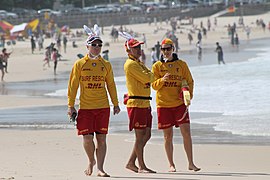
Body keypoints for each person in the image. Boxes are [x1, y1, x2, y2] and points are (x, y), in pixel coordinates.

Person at [67, 25, 120, 177]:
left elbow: (111, 84)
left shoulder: (106, 64)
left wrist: (115, 104)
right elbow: (73, 86)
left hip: (103, 107)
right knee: (87, 138)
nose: (97, 47)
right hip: (85, 108)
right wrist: (70, 106)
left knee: (101, 139)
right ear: (87, 46)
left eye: (99, 45)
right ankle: (91, 160)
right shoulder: (80, 64)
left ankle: (101, 168)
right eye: (94, 45)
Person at [151, 38, 200, 172]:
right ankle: (171, 164)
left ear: (173, 49)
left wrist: (188, 96)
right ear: (160, 50)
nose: (166, 51)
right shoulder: (157, 66)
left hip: (179, 105)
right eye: (163, 49)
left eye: (168, 49)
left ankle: (191, 163)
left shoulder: (182, 65)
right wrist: (162, 80)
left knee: (186, 133)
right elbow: (154, 85)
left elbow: (190, 81)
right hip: (163, 105)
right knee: (168, 136)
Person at [119, 32, 156, 173]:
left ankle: (131, 162)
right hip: (136, 104)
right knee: (140, 136)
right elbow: (149, 78)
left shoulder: (138, 63)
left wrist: (150, 75)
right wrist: (150, 75)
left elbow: (150, 76)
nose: (139, 50)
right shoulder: (130, 65)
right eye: (136, 48)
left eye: (139, 48)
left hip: (145, 103)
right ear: (128, 50)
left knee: (147, 135)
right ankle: (141, 166)